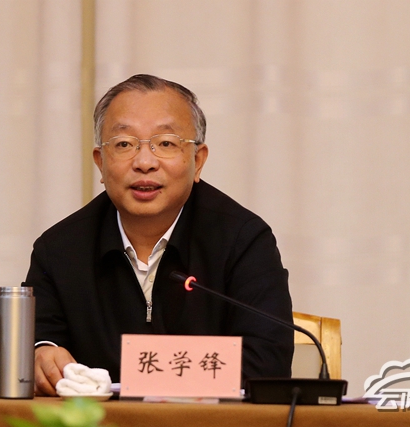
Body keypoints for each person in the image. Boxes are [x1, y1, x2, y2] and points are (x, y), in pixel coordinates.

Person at [25, 74, 293, 396]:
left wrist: (147, 378)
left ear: (198, 161)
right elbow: (35, 346)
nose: (144, 162)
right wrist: (41, 355)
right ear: (100, 163)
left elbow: (267, 364)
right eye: (124, 144)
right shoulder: (59, 250)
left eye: (166, 143)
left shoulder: (243, 241)